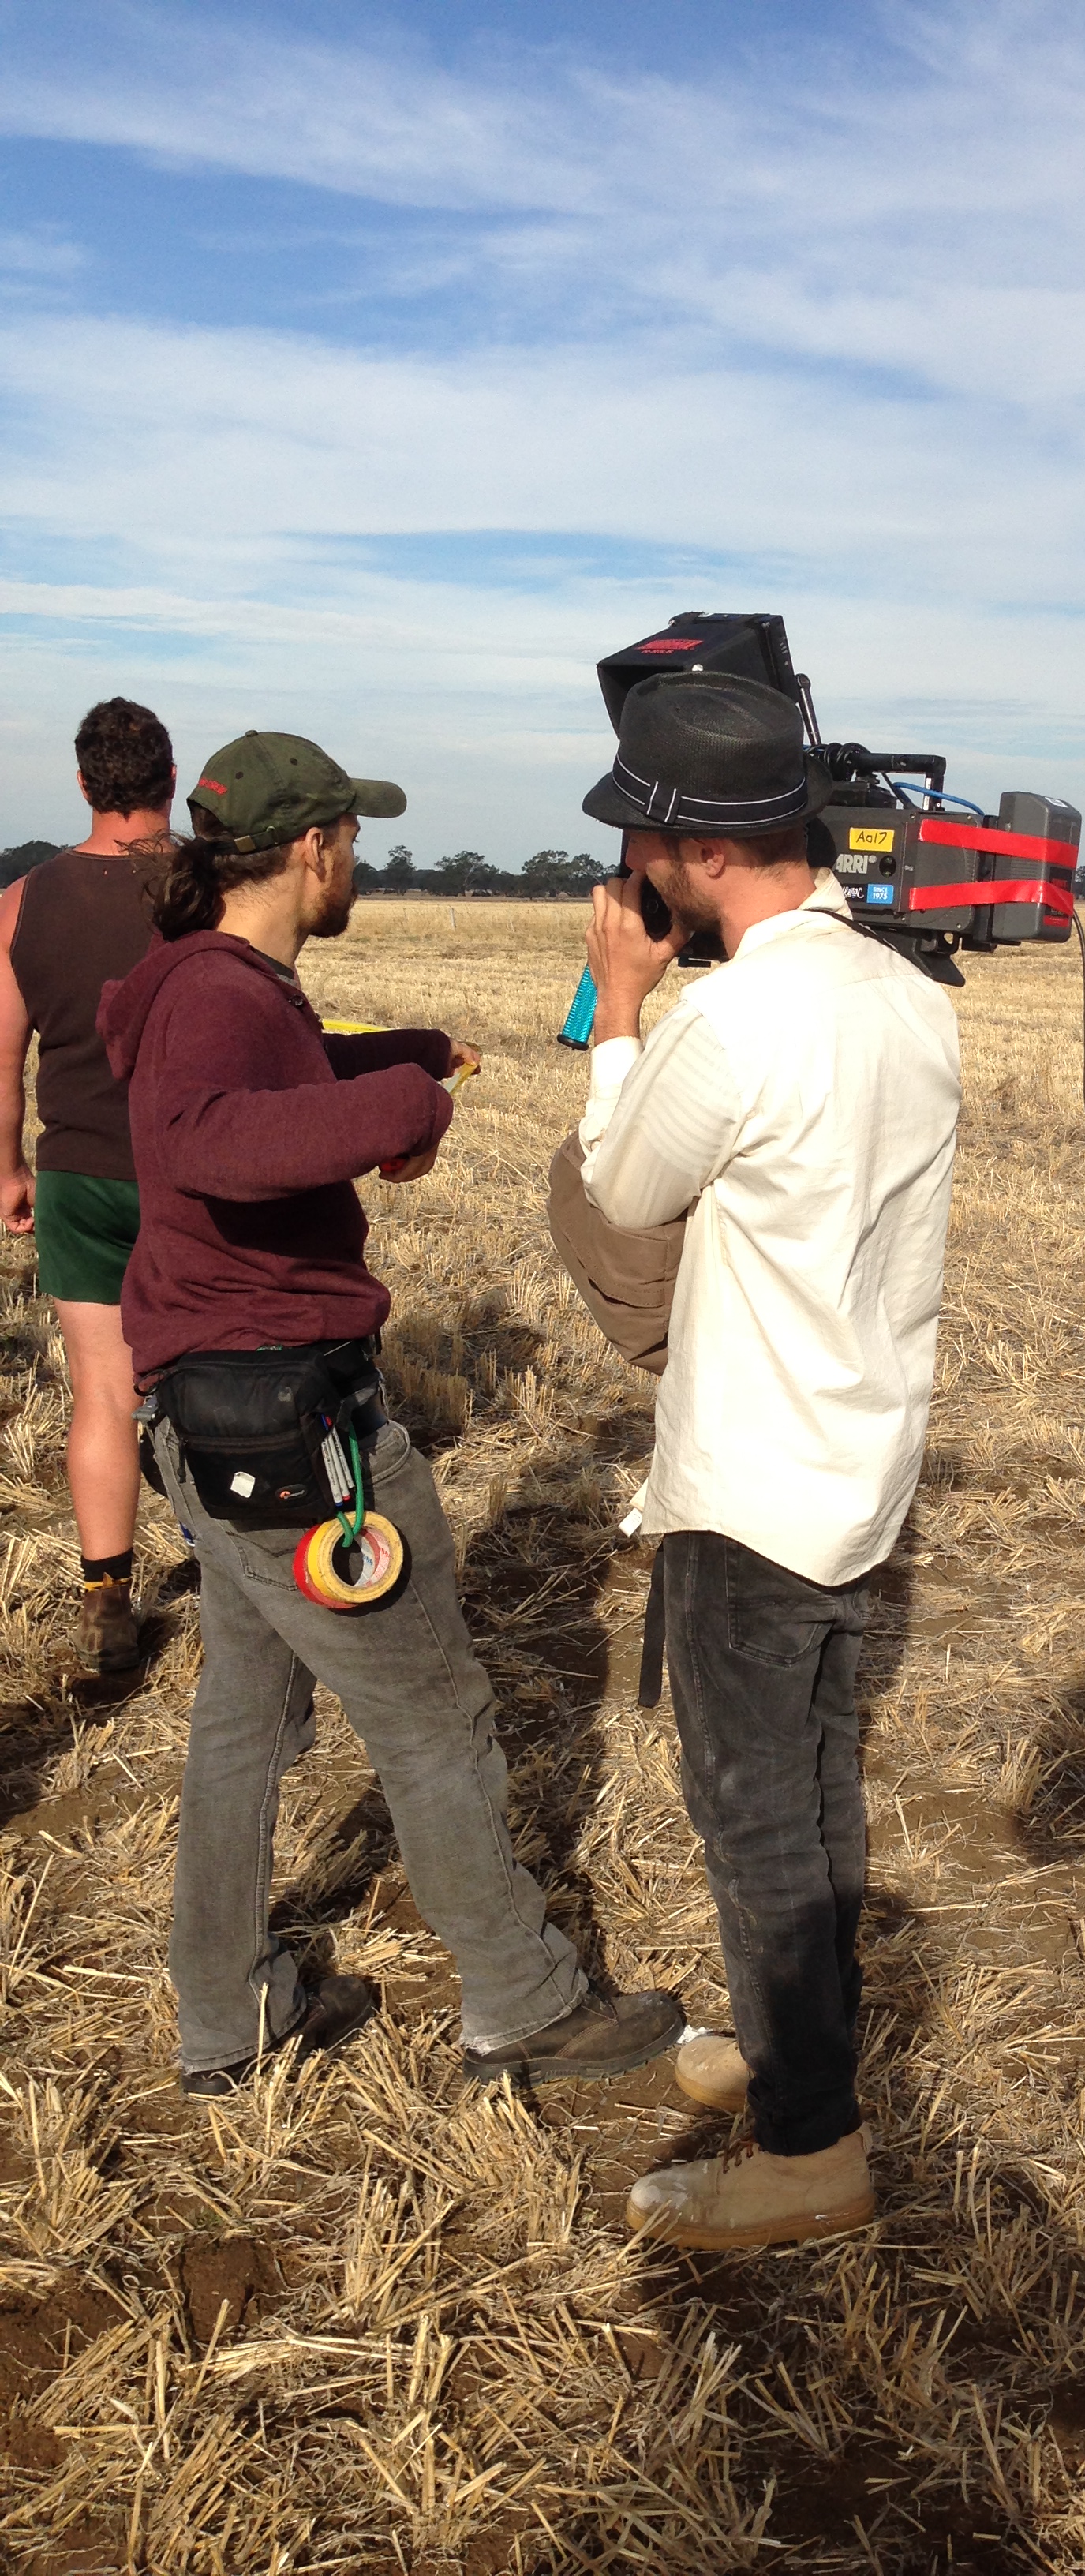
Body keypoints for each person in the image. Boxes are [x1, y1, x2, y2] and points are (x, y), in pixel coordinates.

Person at [99, 729, 682, 2099]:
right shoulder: (219, 995)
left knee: (247, 1719)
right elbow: (206, 1136)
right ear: (312, 849)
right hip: (293, 1428)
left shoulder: (215, 980)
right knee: (434, 1714)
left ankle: (226, 2012)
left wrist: (406, 1056)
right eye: (353, 839)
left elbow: (282, 1083)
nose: (359, 859)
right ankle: (524, 2003)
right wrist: (405, 1102)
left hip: (218, 1413)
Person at [568, 672, 960, 2250]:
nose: (631, 872)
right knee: (816, 1793)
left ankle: (808, 2150)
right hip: (858, 1467)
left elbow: (621, 1188)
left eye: (643, 844)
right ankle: (805, 2053)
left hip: (748, 1481)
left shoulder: (733, 1017)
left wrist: (617, 1008)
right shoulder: (907, 994)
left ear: (700, 852)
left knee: (750, 1819)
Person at [0, 699, 176, 1672]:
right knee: (214, 1371)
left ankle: (106, 1599)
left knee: (103, 1391)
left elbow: (3, 1058)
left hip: (77, 1175)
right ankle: (239, 1556)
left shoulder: (22, 903)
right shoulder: (206, 888)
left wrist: (9, 1168)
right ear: (171, 778)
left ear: (81, 784)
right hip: (192, 1169)